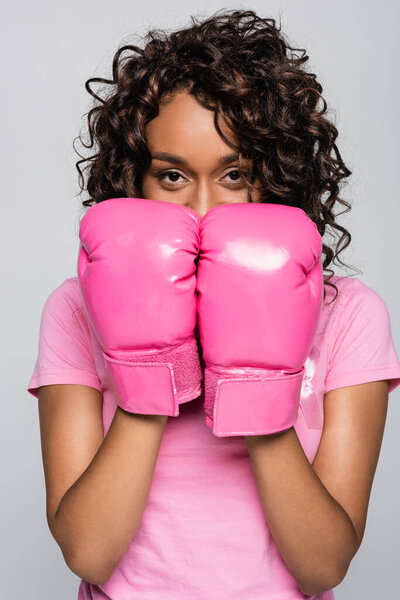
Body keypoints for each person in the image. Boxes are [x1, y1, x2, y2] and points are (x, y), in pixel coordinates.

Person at [27, 9, 400, 600]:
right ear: (134, 178)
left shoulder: (350, 314)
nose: (204, 210)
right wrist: (149, 363)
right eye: (172, 176)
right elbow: (89, 553)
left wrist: (256, 376)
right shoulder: (75, 309)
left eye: (235, 175)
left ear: (278, 175)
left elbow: (323, 567)